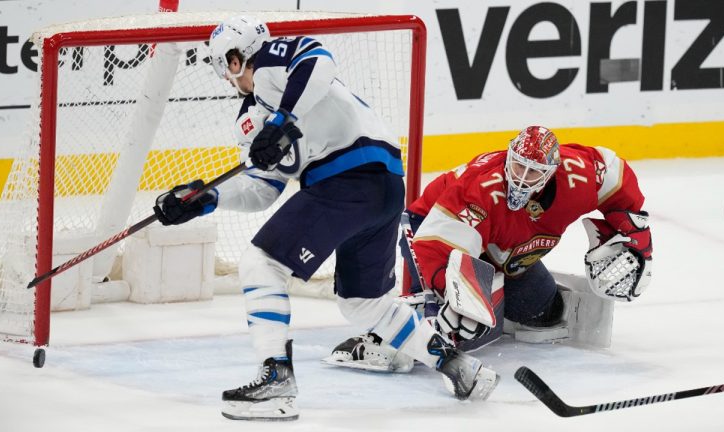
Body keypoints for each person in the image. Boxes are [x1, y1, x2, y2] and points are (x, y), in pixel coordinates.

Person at [151, 16, 498, 421]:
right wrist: (206, 198)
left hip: (348, 180)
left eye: (228, 64)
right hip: (381, 188)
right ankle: (459, 367)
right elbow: (263, 188)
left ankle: (276, 379)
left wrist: (283, 122)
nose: (230, 75)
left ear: (233, 60)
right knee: (363, 304)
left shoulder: (271, 63)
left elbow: (318, 60)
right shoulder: (253, 118)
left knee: (261, 264)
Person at [328, 125, 653, 369]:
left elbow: (616, 174)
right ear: (508, 155)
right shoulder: (482, 190)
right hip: (432, 224)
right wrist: (452, 291)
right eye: (517, 166)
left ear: (552, 173)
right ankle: (387, 338)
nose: (522, 178)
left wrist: (635, 235)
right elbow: (434, 245)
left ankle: (496, 304)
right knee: (450, 326)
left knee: (543, 311)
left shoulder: (577, 178)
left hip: (506, 251)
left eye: (534, 172)